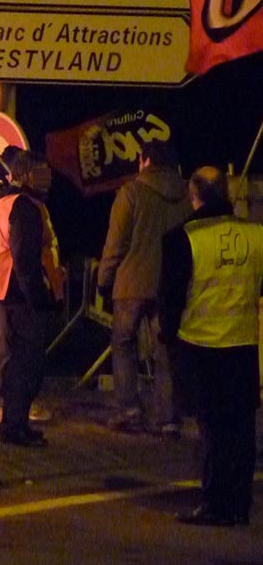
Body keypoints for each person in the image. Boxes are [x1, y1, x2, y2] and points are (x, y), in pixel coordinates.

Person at [160, 167, 263, 527]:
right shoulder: (257, 235)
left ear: (195, 194)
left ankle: (215, 502)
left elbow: (170, 299)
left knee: (212, 430)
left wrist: (169, 338)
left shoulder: (182, 238)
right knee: (242, 428)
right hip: (244, 344)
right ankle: (239, 503)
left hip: (201, 345)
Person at [97, 139, 190, 437]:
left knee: (123, 344)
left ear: (146, 160)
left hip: (131, 284)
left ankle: (129, 410)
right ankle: (168, 418)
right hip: (169, 285)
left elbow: (116, 243)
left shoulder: (132, 193)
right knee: (165, 349)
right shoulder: (187, 195)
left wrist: (104, 278)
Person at [0, 151, 61, 447]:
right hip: (19, 296)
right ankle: (15, 426)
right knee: (28, 364)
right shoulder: (24, 207)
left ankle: (14, 424)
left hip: (1, 291)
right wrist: (39, 299)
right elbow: (24, 260)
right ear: (26, 175)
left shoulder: (6, 202)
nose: (46, 180)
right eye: (41, 173)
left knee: (15, 363)